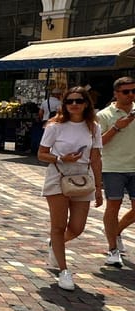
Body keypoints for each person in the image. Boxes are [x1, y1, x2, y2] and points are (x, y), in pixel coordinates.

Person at [37, 86, 103, 291]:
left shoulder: (93, 127)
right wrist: (60, 158)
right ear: (64, 104)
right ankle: (64, 270)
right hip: (58, 175)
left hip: (82, 177)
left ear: (86, 103)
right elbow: (41, 154)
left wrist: (99, 187)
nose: (74, 104)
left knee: (77, 228)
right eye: (69, 101)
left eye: (79, 101)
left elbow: (96, 158)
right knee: (58, 226)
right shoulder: (55, 126)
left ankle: (55, 244)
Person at [97, 76, 135, 266]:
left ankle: (115, 231)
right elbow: (98, 142)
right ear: (116, 94)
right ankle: (113, 249)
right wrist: (117, 127)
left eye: (133, 91)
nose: (130, 95)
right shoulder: (104, 115)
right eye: (126, 91)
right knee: (114, 206)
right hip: (113, 167)